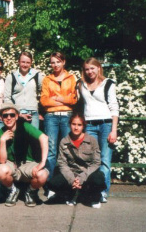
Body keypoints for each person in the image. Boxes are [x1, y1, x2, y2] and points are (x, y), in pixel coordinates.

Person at [79, 57, 119, 203]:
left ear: (98, 68)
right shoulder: (81, 84)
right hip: (89, 124)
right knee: (90, 160)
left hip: (105, 124)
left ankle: (102, 192)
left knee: (105, 160)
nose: (90, 71)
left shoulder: (108, 84)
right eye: (87, 69)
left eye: (92, 68)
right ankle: (91, 191)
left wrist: (113, 130)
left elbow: (114, 107)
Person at [0, 103, 49, 207]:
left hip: (26, 163)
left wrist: (42, 162)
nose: (8, 118)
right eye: (5, 115)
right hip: (10, 164)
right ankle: (12, 190)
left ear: (17, 116)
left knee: (43, 174)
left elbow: (44, 138)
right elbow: (1, 161)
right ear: (1, 118)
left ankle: (30, 192)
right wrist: (2, 141)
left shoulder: (25, 126)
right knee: (1, 170)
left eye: (12, 115)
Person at [47, 113, 106, 208]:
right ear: (70, 125)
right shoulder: (64, 141)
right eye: (73, 124)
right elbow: (62, 163)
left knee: (98, 179)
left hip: (88, 173)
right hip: (72, 173)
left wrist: (81, 178)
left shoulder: (92, 140)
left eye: (79, 125)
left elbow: (96, 163)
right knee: (52, 183)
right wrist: (72, 180)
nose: (76, 127)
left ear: (83, 126)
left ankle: (95, 197)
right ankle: (70, 193)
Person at [40, 52, 77, 186]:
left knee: (67, 149)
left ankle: (68, 182)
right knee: (51, 150)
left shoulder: (71, 78)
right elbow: (44, 101)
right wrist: (60, 103)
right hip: (51, 117)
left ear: (63, 62)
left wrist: (59, 98)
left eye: (58, 62)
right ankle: (50, 184)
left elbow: (74, 99)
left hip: (67, 116)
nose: (55, 65)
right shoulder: (47, 79)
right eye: (53, 62)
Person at [4, 51, 44, 129]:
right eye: (23, 62)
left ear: (31, 63)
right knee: (18, 140)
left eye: (28, 62)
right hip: (17, 115)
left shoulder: (37, 76)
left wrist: (41, 111)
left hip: (33, 114)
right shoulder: (11, 77)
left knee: (33, 140)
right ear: (18, 62)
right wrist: (17, 113)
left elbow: (44, 93)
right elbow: (7, 98)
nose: (25, 65)